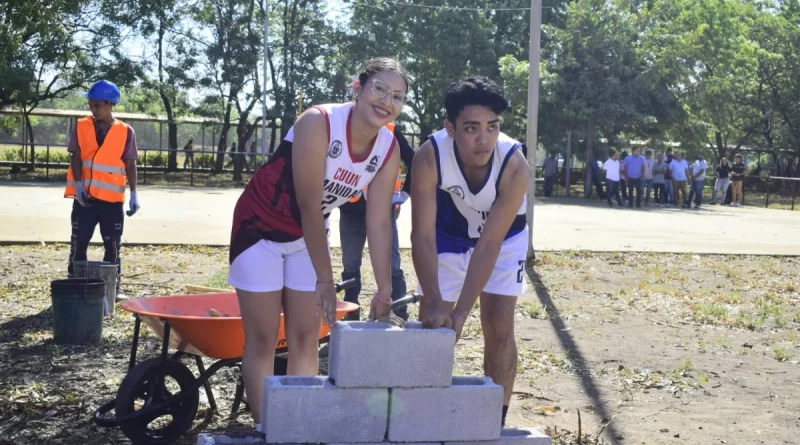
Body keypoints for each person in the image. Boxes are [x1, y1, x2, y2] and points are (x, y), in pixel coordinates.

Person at [226, 57, 408, 431]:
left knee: (306, 336)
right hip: (260, 228)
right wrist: (326, 278)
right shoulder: (318, 121)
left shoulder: (388, 148)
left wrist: (385, 292)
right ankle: (267, 429)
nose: (387, 101)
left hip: (307, 237)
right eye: (379, 89)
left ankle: (296, 426)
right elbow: (309, 205)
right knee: (263, 338)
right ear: (357, 88)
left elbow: (378, 221)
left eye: (398, 97)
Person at [411, 76, 531, 428]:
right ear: (450, 128)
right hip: (448, 232)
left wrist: (464, 309)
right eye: (472, 128)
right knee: (433, 322)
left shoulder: (515, 164)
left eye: (492, 127)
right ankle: (423, 415)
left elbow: (491, 243)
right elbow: (421, 234)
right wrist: (434, 299)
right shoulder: (429, 155)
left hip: (503, 235)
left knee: (498, 324)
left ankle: (495, 419)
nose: (484, 139)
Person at [65, 80, 140, 301]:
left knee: (113, 246)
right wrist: (78, 184)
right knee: (79, 242)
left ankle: (112, 288)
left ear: (110, 104)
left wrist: (134, 194)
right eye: (91, 104)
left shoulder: (126, 131)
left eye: (98, 105)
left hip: (111, 201)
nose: (93, 109)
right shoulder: (81, 126)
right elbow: (76, 156)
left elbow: (131, 163)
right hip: (85, 199)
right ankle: (74, 283)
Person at [339, 122, 415, 321]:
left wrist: (405, 193)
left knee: (392, 264)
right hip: (351, 209)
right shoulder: (342, 128)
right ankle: (351, 311)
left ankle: (399, 312)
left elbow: (414, 160)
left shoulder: (390, 130)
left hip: (383, 211)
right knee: (350, 264)